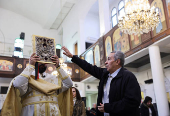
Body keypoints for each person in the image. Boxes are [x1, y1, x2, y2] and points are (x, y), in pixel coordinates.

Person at [62, 46, 141, 116]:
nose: (106, 62)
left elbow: (132, 102)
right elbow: (89, 67)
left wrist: (108, 107)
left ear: (117, 62)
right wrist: (73, 57)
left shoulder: (128, 77)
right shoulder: (105, 74)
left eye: (109, 59)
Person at [1, 53, 73, 116]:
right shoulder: (27, 77)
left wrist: (58, 67)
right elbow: (17, 84)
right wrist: (30, 66)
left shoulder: (53, 78)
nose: (42, 63)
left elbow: (69, 84)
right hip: (31, 112)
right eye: (39, 60)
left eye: (44, 61)